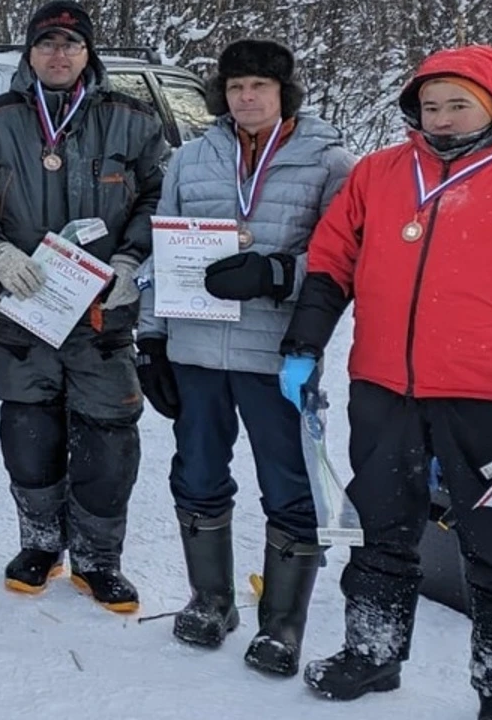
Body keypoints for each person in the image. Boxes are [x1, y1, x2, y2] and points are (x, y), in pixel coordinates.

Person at [280, 45, 492, 720]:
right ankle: (373, 653)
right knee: (381, 531)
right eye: (430, 105)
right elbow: (329, 266)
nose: (441, 118)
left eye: (458, 104)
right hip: (385, 388)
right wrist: (304, 348)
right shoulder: (379, 175)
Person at [132, 39, 354, 673]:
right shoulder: (192, 159)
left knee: (287, 484)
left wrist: (279, 273)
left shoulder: (328, 163)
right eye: (234, 87)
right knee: (197, 471)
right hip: (196, 351)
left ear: (285, 92)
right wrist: (150, 339)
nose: (246, 97)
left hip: (276, 354)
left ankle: (282, 625)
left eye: (259, 85)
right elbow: (161, 253)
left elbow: (347, 258)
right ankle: (211, 601)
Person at [0, 0, 165, 612]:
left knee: (108, 433)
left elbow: (156, 194)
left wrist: (131, 259)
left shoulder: (133, 119)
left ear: (88, 52)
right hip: (20, 309)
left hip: (101, 312)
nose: (60, 54)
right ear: (29, 52)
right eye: (47, 43)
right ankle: (41, 542)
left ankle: (99, 558)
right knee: (28, 428)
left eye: (72, 43)